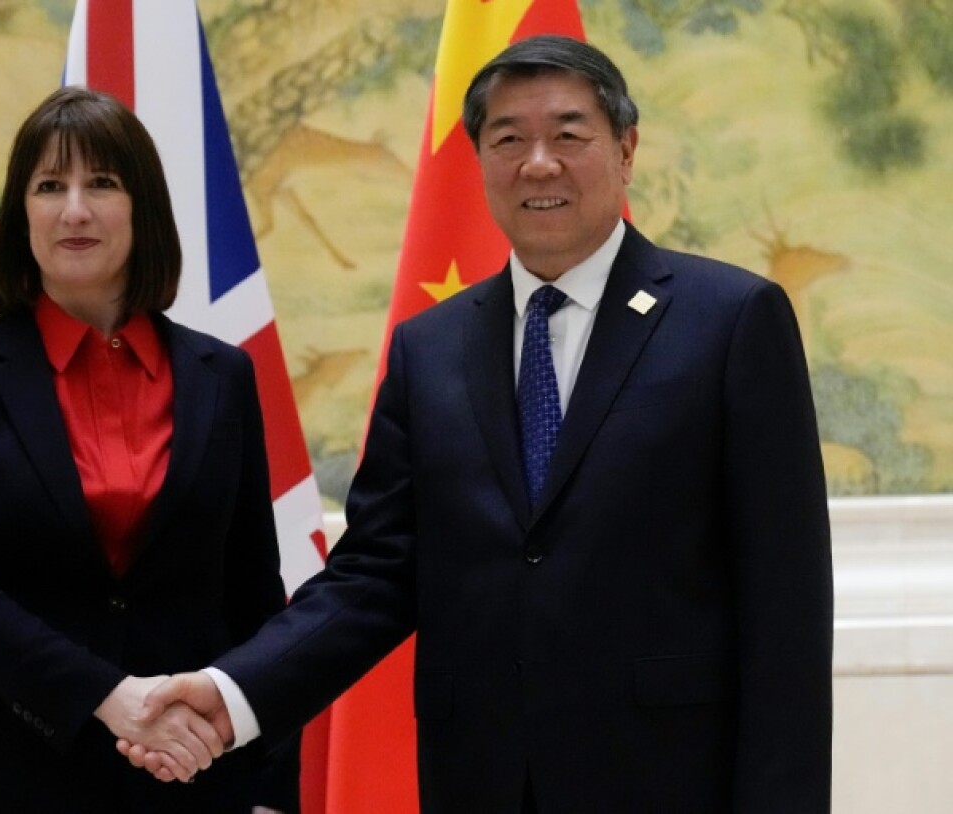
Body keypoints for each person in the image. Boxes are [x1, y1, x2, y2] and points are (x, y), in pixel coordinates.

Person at [126, 35, 834, 813]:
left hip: (668, 781)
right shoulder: (431, 349)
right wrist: (231, 694)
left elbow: (786, 609)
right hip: (482, 781)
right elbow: (375, 578)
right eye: (508, 139)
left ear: (626, 149)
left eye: (569, 134)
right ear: (478, 160)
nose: (538, 163)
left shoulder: (729, 322)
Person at [0, 85, 298, 814]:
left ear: (141, 208)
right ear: (22, 214)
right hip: (1, 772)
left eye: (102, 184)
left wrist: (270, 788)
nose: (74, 209)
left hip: (189, 779)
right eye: (50, 186)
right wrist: (110, 698)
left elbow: (254, 599)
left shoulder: (223, 377)